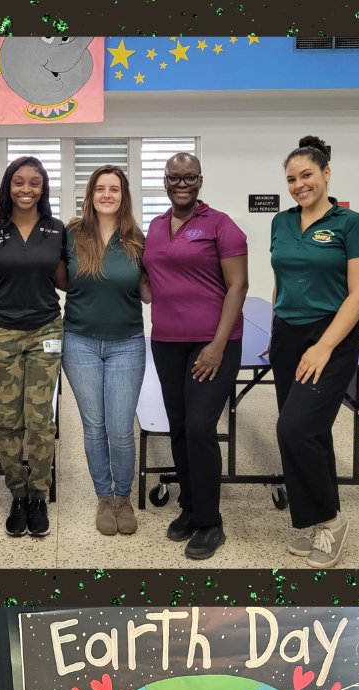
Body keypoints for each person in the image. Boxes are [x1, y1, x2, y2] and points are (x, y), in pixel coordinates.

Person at [269, 136, 359, 567]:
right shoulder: (280, 221)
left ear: (326, 173)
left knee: (294, 429)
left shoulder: (351, 223)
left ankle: (330, 522)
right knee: (309, 432)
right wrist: (278, 320)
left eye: (307, 175)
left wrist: (323, 346)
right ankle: (315, 521)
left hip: (330, 337)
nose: (299, 185)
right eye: (292, 179)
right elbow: (281, 274)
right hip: (287, 335)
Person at [141, 152, 248, 560]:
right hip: (167, 342)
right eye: (174, 177)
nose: (181, 183)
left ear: (200, 180)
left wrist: (218, 345)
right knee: (180, 427)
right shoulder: (154, 225)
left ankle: (210, 522)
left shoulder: (221, 225)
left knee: (202, 427)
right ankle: (189, 506)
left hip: (212, 343)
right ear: (165, 181)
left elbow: (238, 287)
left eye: (189, 177)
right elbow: (150, 278)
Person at [0, 156, 68, 539]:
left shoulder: (56, 229)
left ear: (43, 187)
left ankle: (39, 494)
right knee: (8, 418)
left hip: (46, 329)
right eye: (19, 182)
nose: (27, 189)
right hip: (2, 332)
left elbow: (65, 279)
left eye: (35, 182)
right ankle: (17, 493)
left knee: (40, 420)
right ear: (8, 187)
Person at [62, 165, 147, 537]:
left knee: (121, 429)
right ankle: (103, 496)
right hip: (79, 340)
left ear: (124, 195)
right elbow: (60, 278)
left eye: (114, 189)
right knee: (94, 426)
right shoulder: (71, 234)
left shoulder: (137, 240)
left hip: (127, 343)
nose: (107, 195)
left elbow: (148, 289)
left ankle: (123, 497)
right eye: (100, 188)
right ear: (91, 194)